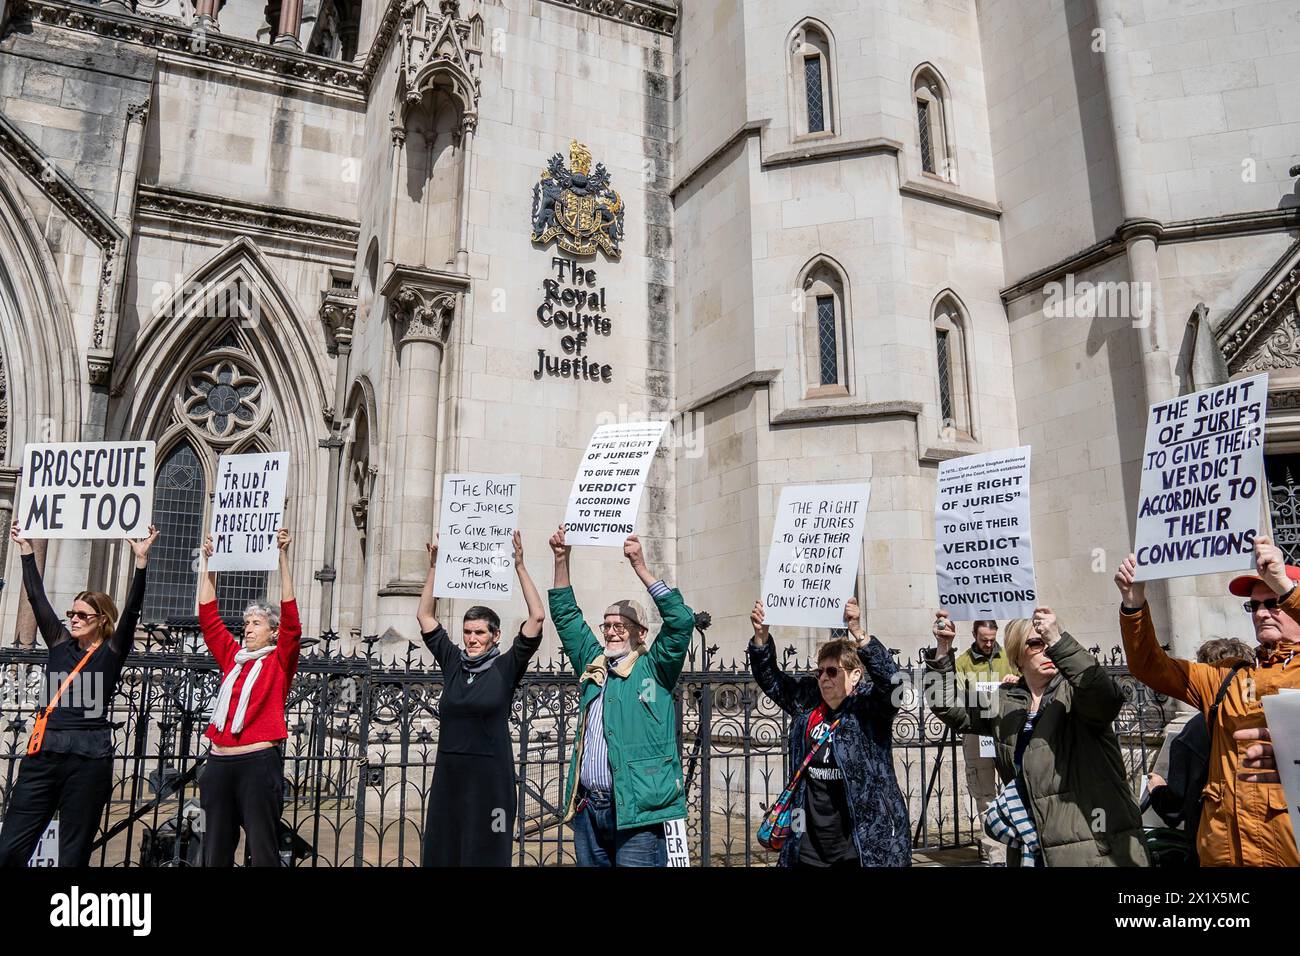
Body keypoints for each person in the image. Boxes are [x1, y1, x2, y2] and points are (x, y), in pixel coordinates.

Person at [1116, 535, 1300, 866]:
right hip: (1224, 854)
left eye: (1273, 603)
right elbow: (1149, 666)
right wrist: (1134, 605)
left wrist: (1286, 587)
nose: (1260, 613)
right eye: (1254, 605)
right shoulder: (1228, 676)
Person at [926, 606, 1149, 866]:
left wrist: (1059, 641)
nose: (1046, 649)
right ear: (1017, 655)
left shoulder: (1075, 694)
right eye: (1035, 643)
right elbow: (947, 705)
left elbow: (1105, 696)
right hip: (1032, 845)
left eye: (1049, 641)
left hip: (1093, 845)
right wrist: (943, 650)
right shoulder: (1003, 700)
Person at [0, 521, 158, 867]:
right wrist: (27, 552)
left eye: (81, 615)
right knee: (10, 848)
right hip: (45, 754)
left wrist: (141, 564)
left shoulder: (111, 653)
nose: (72, 619)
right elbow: (36, 598)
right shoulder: (59, 644)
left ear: (101, 620)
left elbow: (131, 613)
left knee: (73, 854)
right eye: (70, 613)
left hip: (88, 760)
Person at [548, 527, 695, 867]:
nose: (612, 631)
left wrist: (640, 566)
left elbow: (681, 621)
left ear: (640, 632)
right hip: (588, 809)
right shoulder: (593, 662)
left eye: (621, 624)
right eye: (607, 625)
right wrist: (561, 559)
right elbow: (567, 617)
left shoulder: (654, 668)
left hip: (636, 811)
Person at [748, 597, 910, 867]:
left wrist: (858, 632)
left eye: (832, 671)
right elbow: (772, 681)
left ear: (855, 675)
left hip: (859, 845)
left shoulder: (869, 708)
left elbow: (893, 683)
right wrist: (761, 637)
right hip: (808, 844)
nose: (823, 677)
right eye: (820, 671)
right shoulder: (808, 704)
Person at [417, 531, 545, 866]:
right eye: (468, 632)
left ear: (495, 636)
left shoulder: (505, 666)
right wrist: (435, 567)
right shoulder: (453, 662)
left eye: (480, 632)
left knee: (486, 854)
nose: (472, 638)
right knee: (443, 854)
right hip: (450, 779)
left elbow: (536, 619)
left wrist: (519, 566)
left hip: (490, 783)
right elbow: (426, 618)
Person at [197, 527, 300, 867]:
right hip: (219, 763)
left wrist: (282, 557)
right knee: (215, 853)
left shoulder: (279, 661)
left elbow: (292, 624)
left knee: (263, 851)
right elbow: (209, 618)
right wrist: (208, 564)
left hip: (257, 764)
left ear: (272, 630)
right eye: (246, 623)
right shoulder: (233, 657)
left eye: (257, 623)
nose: (249, 628)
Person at [1144, 638, 1254, 835]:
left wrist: (1157, 789)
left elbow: (1175, 804)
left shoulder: (1194, 732)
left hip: (1214, 835)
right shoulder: (1264, 717)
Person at [938, 612, 1016, 865]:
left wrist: (1014, 682)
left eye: (992, 639)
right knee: (985, 795)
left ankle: (1019, 845)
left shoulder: (1009, 657)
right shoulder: (962, 662)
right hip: (977, 731)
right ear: (974, 635)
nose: (989, 644)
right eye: (984, 639)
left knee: (1017, 789)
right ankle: (996, 854)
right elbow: (955, 699)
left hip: (1007, 729)